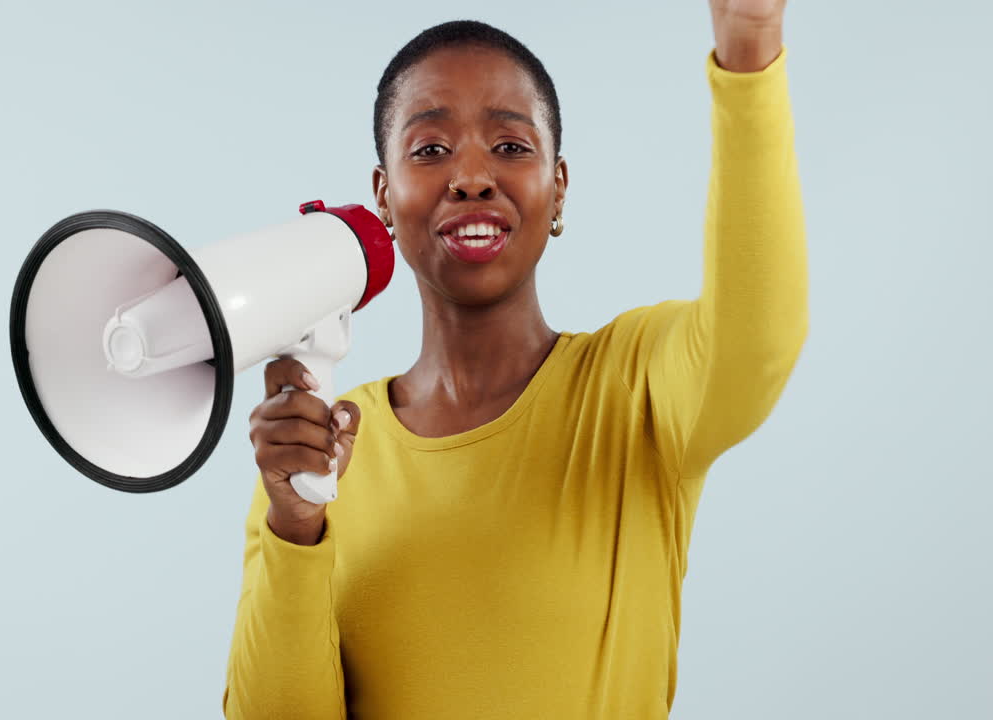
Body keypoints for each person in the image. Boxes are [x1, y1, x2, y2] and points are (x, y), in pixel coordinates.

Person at [225, 2, 806, 717]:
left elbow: (758, 338)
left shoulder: (634, 390)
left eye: (510, 147)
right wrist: (295, 522)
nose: (471, 176)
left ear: (558, 187)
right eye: (430, 150)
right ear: (383, 195)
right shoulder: (320, 451)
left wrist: (749, 51)